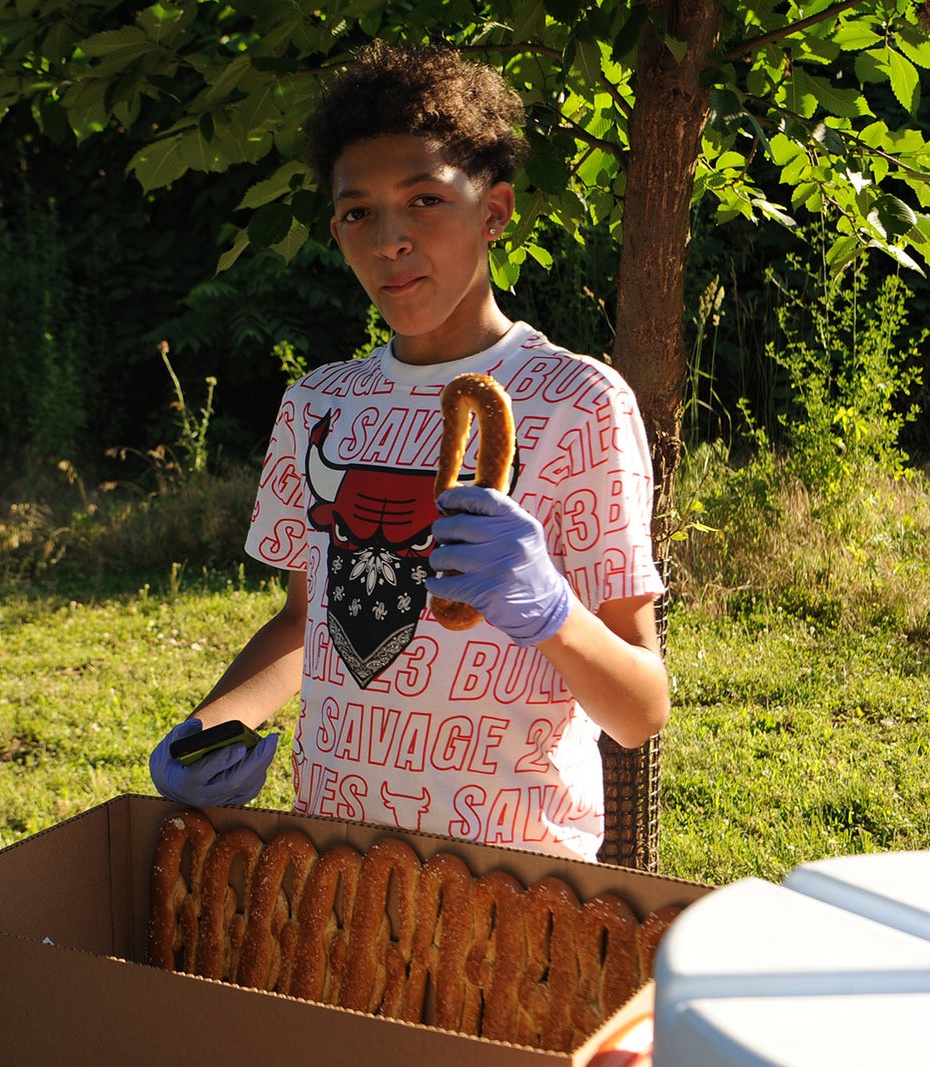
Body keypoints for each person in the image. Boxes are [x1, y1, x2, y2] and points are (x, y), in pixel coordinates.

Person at [147, 41, 669, 863]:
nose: (388, 238)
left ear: (493, 210)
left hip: (516, 870)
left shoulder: (579, 402)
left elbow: (640, 708)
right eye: (358, 212)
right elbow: (302, 620)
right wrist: (209, 731)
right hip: (334, 857)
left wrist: (551, 609)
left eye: (424, 199)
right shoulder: (320, 404)